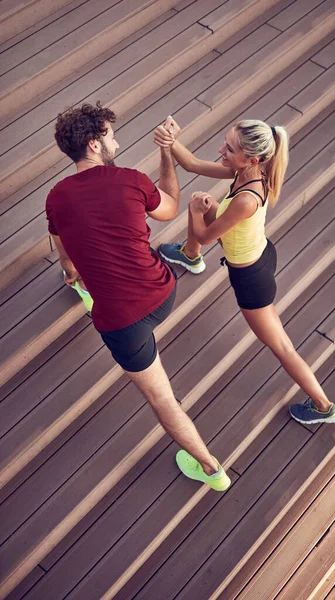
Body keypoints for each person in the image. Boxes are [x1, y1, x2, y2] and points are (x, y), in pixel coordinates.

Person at [45, 103, 231, 492]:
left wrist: (70, 274)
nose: (116, 140)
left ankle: (213, 470)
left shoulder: (57, 197)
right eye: (111, 135)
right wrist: (167, 151)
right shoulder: (130, 181)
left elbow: (62, 248)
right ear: (95, 144)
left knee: (164, 400)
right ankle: (209, 468)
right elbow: (170, 207)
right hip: (163, 293)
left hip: (123, 324)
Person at [154, 117, 335, 426]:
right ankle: (189, 257)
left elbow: (205, 234)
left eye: (229, 148)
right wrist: (169, 139)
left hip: (251, 280)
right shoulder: (247, 171)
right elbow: (192, 164)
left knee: (281, 346)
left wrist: (199, 211)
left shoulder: (245, 199)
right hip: (260, 251)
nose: (221, 150)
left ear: (252, 158)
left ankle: (323, 406)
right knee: (199, 203)